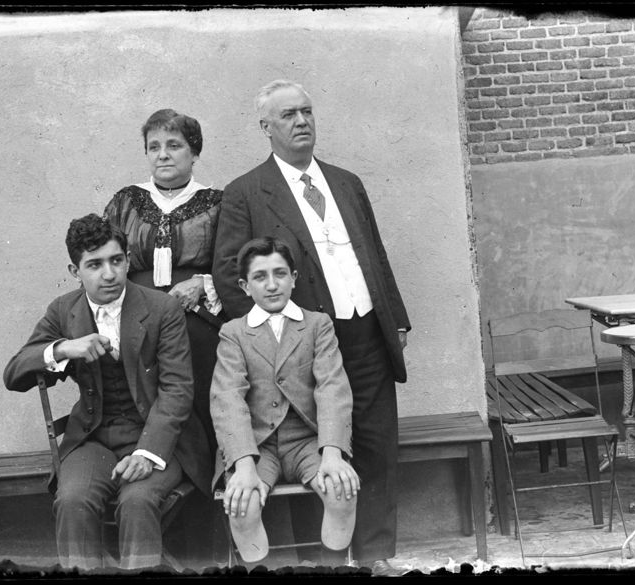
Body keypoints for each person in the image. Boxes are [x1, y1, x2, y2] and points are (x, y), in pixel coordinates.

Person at [212, 80, 410, 575]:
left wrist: (396, 318)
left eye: (306, 112)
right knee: (307, 441)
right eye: (287, 116)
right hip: (301, 344)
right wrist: (274, 334)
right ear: (266, 128)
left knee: (376, 443)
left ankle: (374, 556)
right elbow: (229, 275)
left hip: (363, 331)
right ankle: (314, 563)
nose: (301, 122)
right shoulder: (246, 193)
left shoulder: (345, 182)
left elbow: (375, 256)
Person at [3, 214, 212, 570]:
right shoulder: (63, 311)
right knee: (72, 500)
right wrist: (63, 349)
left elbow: (177, 390)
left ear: (128, 260)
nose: (110, 274)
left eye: (117, 261)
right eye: (95, 265)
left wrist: (147, 453)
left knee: (138, 501)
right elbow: (14, 373)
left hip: (159, 438)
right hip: (93, 438)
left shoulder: (162, 309)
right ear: (75, 270)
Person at [210, 236, 359, 564]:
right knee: (242, 502)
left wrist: (332, 454)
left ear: (293, 278)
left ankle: (332, 568)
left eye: (280, 274)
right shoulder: (234, 333)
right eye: (260, 277)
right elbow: (227, 400)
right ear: (245, 286)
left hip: (307, 441)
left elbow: (332, 388)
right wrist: (244, 465)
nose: (272, 284)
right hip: (258, 445)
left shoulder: (317, 325)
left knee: (340, 489)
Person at [103, 108, 225, 462]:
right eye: (154, 146)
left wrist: (203, 282)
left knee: (197, 402)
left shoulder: (217, 203)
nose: (163, 154)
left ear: (195, 153)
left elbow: (235, 263)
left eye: (174, 145)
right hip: (137, 321)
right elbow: (105, 255)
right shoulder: (127, 201)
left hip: (196, 323)